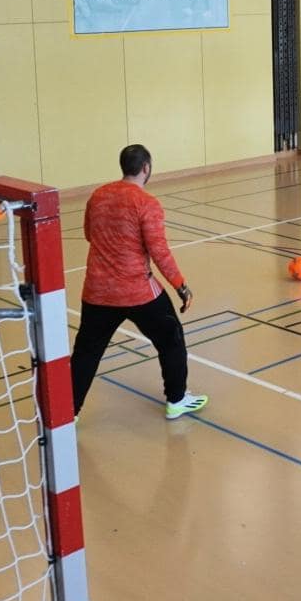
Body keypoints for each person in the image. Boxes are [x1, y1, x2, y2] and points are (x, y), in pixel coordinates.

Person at [71, 144, 206, 420]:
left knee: (86, 352)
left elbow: (88, 234)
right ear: (146, 168)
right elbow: (159, 251)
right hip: (138, 291)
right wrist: (181, 285)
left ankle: (67, 413)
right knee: (171, 337)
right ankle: (177, 399)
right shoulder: (147, 203)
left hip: (97, 291)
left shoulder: (98, 196)